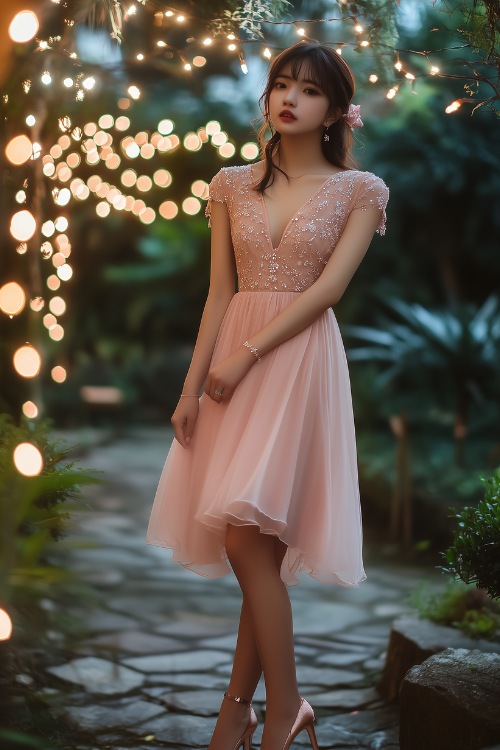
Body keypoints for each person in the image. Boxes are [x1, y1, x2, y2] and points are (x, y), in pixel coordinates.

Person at [147, 39, 389, 750]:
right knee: (252, 542)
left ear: (337, 110)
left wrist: (249, 354)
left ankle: (281, 707)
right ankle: (239, 710)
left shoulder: (360, 189)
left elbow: (328, 290)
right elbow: (219, 291)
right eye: (282, 84)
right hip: (230, 365)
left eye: (309, 90)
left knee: (250, 541)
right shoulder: (230, 183)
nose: (290, 98)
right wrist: (192, 387)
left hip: (294, 360)